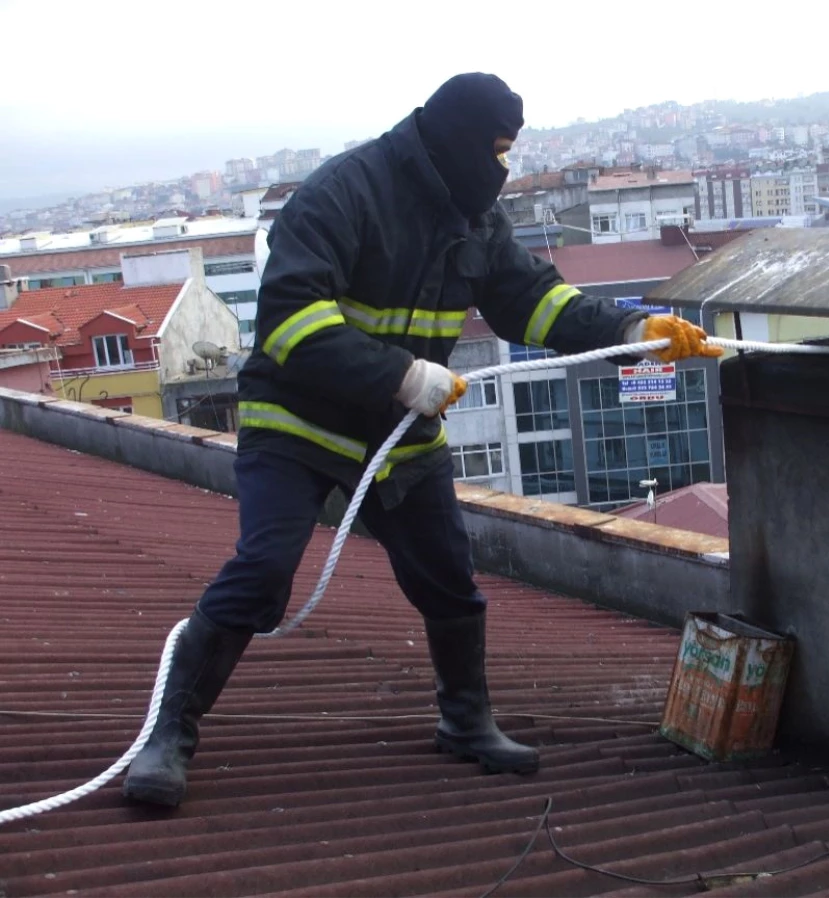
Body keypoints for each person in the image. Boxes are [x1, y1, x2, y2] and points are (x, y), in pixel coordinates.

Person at [121, 73, 722, 809]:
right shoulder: (344, 194)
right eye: (498, 150)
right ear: (457, 141)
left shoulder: (473, 213)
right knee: (263, 569)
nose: (504, 168)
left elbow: (530, 299)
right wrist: (401, 376)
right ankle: (168, 736)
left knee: (450, 582)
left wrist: (632, 331)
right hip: (299, 425)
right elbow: (288, 321)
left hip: (399, 438)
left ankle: (464, 721)